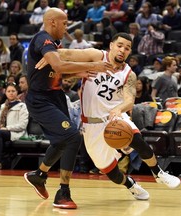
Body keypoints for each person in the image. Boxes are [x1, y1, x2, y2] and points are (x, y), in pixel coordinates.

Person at [41, 32, 181, 203]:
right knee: (110, 172)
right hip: (91, 126)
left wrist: (119, 109)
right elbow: (68, 54)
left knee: (137, 140)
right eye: (120, 45)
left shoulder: (129, 73)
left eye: (127, 48)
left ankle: (158, 172)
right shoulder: (96, 56)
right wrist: (47, 53)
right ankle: (131, 185)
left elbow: (129, 100)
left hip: (114, 117)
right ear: (111, 46)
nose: (123, 50)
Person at [23, 7, 114, 210]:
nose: (67, 26)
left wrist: (79, 73)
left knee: (63, 139)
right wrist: (91, 67)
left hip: (55, 97)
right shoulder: (43, 39)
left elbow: (55, 74)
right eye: (64, 23)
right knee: (72, 137)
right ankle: (63, 192)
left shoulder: (54, 43)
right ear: (52, 22)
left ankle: (39, 175)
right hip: (40, 100)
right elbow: (58, 66)